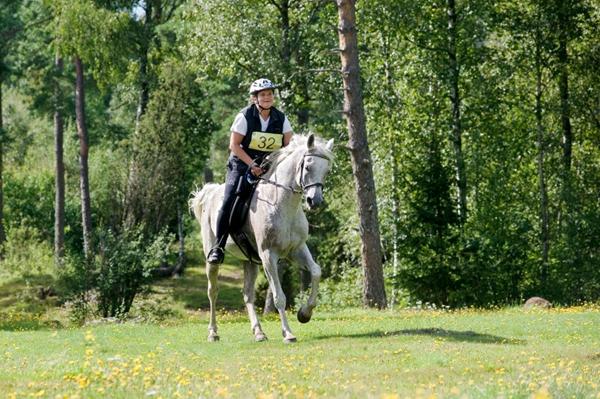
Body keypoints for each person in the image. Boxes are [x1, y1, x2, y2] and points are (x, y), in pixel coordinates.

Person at [206, 78, 293, 264]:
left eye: (270, 94)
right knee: (229, 199)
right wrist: (252, 164)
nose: (267, 97)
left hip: (267, 166)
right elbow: (234, 145)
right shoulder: (244, 116)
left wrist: (271, 164)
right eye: (263, 95)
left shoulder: (281, 118)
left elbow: (288, 146)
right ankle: (218, 246)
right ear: (255, 98)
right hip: (241, 164)